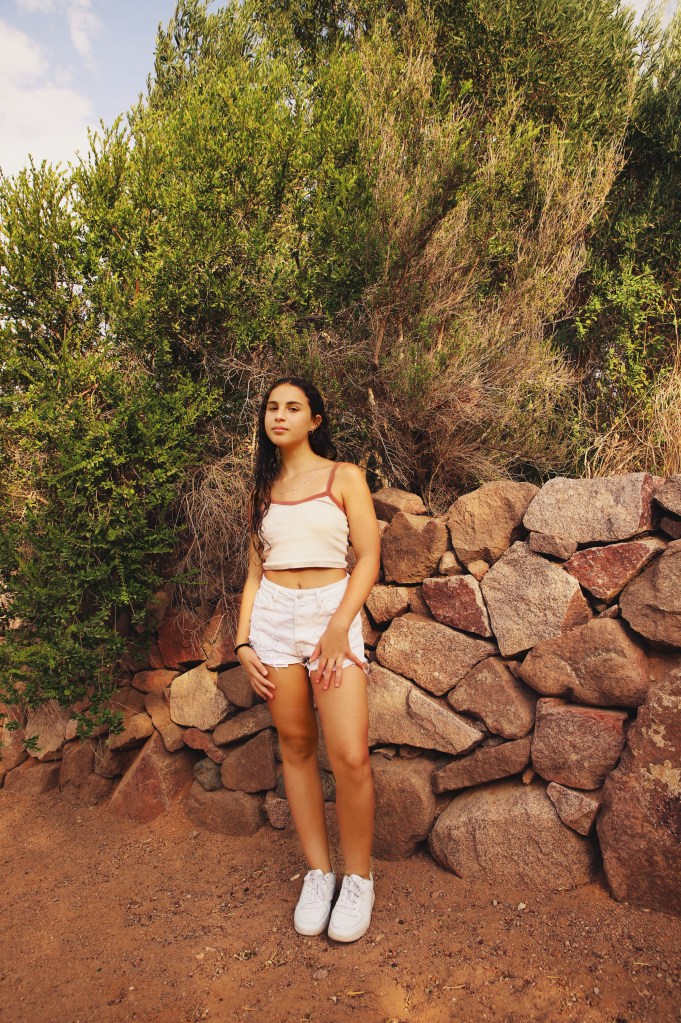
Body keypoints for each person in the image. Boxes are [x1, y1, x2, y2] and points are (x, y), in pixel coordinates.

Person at [233, 376, 381, 943]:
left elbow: (367, 558)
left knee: (350, 756)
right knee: (295, 748)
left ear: (314, 420)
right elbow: (254, 573)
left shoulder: (345, 477)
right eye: (272, 407)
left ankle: (358, 879)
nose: (279, 415)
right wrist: (243, 643)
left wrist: (339, 626)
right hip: (272, 620)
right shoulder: (262, 491)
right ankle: (319, 874)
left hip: (329, 615)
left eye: (292, 407)